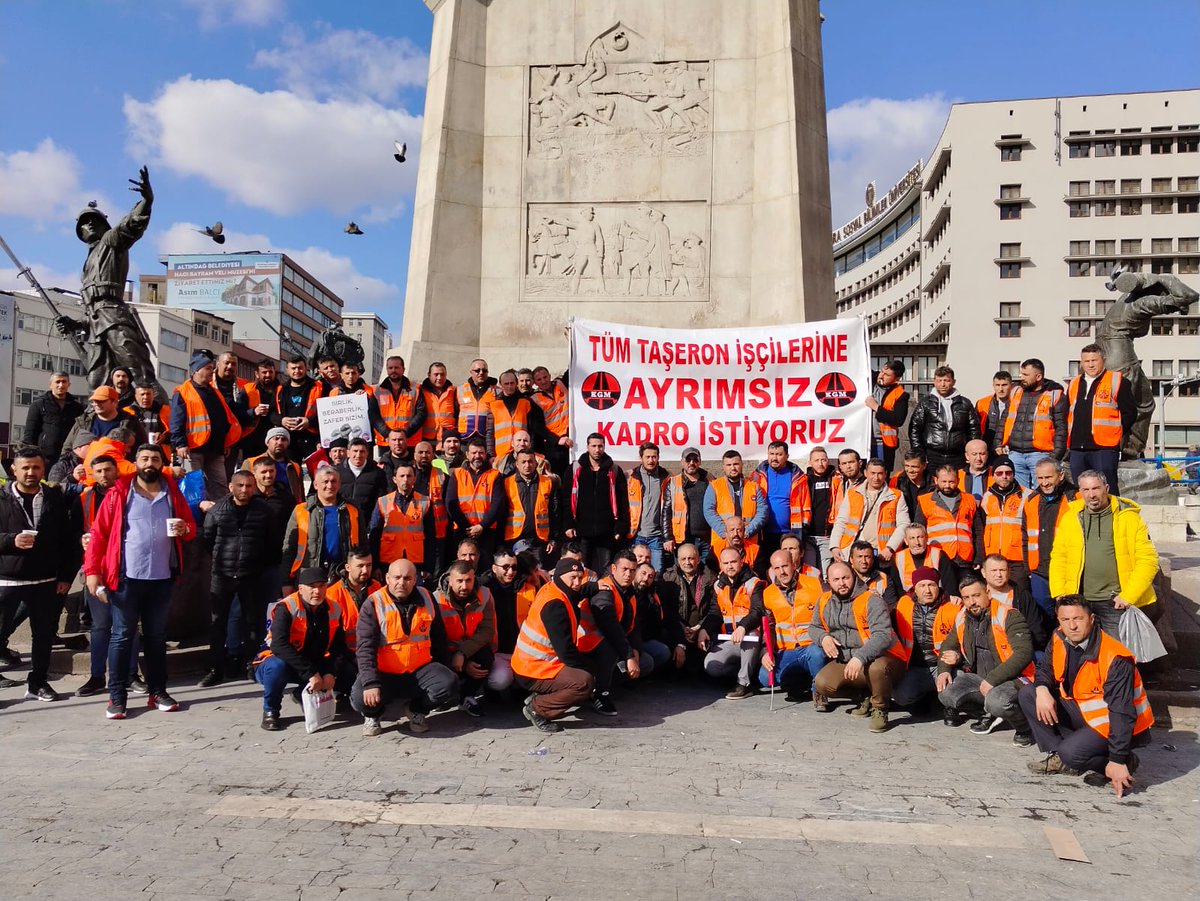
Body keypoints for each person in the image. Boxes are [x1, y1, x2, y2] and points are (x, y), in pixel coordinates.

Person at [83, 443, 197, 718]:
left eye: (155, 459)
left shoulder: (172, 491)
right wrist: (92, 573)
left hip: (162, 577)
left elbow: (190, 528)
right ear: (135, 462)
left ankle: (157, 691)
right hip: (126, 578)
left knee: (157, 638)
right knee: (121, 636)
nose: (149, 463)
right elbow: (99, 535)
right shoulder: (120, 493)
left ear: (161, 463)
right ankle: (117, 696)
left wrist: (184, 528)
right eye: (144, 458)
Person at [1018, 595, 1153, 796]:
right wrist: (1042, 689)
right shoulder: (1059, 637)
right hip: (1083, 711)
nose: (1072, 626)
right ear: (1059, 621)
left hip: (1114, 722)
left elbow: (1122, 712)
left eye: (1078, 619)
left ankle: (1121, 760)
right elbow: (1044, 668)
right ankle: (1060, 757)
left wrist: (1117, 758)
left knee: (1072, 754)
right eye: (1065, 620)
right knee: (1029, 693)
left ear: (1091, 619)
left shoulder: (1114, 657)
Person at [56, 168, 167, 401]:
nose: (90, 224)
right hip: (96, 326)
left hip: (114, 317)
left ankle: (163, 414)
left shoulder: (111, 242)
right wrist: (75, 322)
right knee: (96, 382)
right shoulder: (87, 265)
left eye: (94, 220)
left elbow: (130, 225)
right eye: (85, 223)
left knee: (139, 371)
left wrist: (147, 201)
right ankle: (93, 424)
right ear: (80, 232)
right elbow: (92, 311)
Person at [0, 449, 80, 702]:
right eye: (25, 467)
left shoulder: (54, 497)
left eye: (36, 467)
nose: (31, 472)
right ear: (14, 469)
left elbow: (67, 540)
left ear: (43, 469)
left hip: (46, 581)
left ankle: (38, 683)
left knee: (43, 636)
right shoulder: (1, 498)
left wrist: (66, 576)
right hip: (8, 580)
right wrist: (12, 541)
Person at [352, 560, 458, 736]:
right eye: (397, 577)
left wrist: (444, 670)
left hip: (419, 671)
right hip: (384, 674)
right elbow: (365, 649)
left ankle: (416, 710)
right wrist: (371, 683)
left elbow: (439, 638)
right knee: (359, 697)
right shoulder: (373, 604)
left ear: (415, 579)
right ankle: (373, 715)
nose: (401, 583)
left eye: (407, 578)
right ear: (387, 578)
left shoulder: (427, 598)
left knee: (448, 683)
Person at [1048, 470, 1158, 638]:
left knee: (1117, 657)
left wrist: (1128, 596)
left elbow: (1148, 561)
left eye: (1096, 488)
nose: (1091, 495)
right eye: (1085, 490)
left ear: (1106, 488)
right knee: (1080, 655)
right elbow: (1059, 558)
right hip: (1079, 601)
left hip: (1115, 603)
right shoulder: (1070, 518)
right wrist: (1060, 592)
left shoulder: (1130, 518)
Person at [73, 455, 143, 697]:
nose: (104, 474)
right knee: (100, 626)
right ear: (92, 473)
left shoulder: (131, 494)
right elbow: (73, 529)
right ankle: (96, 677)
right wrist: (80, 539)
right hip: (97, 568)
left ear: (117, 471)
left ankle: (131, 675)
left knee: (129, 626)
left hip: (126, 568)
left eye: (108, 470)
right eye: (99, 471)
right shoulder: (84, 498)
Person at [936, 574, 1034, 743]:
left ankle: (1024, 727)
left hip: (1014, 678)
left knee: (997, 701)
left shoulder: (1009, 615)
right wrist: (943, 670)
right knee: (946, 693)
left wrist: (992, 680)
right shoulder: (962, 617)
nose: (971, 602)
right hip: (980, 678)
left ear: (988, 593)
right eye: (966, 597)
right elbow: (947, 645)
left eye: (976, 595)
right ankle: (989, 714)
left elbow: (1023, 653)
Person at [810, 561, 905, 732]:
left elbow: (883, 636)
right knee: (822, 684)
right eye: (836, 579)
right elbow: (813, 627)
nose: (842, 583)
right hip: (847, 658)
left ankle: (880, 709)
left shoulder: (871, 599)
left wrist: (860, 657)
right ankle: (864, 696)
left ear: (853, 575)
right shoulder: (824, 600)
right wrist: (823, 638)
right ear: (828, 581)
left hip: (886, 658)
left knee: (877, 669)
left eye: (845, 577)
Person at [200, 470, 273, 687]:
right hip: (222, 574)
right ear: (231, 487)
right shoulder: (217, 511)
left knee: (252, 622)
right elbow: (208, 539)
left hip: (251, 574)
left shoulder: (264, 511)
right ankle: (216, 669)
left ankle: (252, 665)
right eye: (240, 485)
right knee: (217, 623)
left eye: (249, 486)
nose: (244, 490)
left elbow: (271, 540)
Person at [252, 568, 349, 732]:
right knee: (277, 667)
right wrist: (311, 673)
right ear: (301, 588)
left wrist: (330, 673)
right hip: (281, 660)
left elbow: (339, 647)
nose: (317, 591)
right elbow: (279, 645)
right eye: (312, 586)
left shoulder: (334, 608)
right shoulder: (287, 607)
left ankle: (302, 693)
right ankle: (271, 710)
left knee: (349, 671)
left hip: (312, 661)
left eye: (321, 586)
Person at [510, 558, 597, 733]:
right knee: (584, 682)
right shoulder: (555, 605)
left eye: (580, 577)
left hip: (534, 662)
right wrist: (589, 671)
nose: (578, 582)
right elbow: (566, 652)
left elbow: (577, 592)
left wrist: (594, 587)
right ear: (560, 576)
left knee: (586, 671)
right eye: (573, 577)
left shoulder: (553, 588)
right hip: (533, 669)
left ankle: (541, 699)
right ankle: (537, 709)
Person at [576, 551, 641, 714]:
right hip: (586, 643)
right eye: (624, 569)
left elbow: (632, 626)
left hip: (607, 640)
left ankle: (603, 682)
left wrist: (635, 650)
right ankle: (600, 694)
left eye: (632, 570)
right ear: (613, 568)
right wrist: (628, 656)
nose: (628, 574)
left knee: (646, 662)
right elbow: (610, 627)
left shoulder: (629, 592)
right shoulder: (604, 590)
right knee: (612, 650)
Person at [1066, 344, 1136, 493]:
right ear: (1081, 363)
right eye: (1086, 361)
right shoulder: (1074, 383)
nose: (1090, 364)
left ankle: (1113, 515)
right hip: (1078, 447)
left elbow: (1130, 412)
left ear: (1103, 360)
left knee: (1107, 487)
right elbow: (1068, 412)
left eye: (1094, 360)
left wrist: (1116, 433)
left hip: (1104, 447)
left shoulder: (1117, 381)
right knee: (1080, 489)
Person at [890, 567, 960, 711]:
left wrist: (957, 656)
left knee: (956, 690)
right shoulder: (903, 604)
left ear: (938, 586)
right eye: (922, 585)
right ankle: (927, 698)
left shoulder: (953, 606)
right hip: (915, 667)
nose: (927, 590)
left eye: (931, 585)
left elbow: (964, 640)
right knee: (901, 696)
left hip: (942, 666)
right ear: (914, 589)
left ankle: (945, 702)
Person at [758, 550, 825, 700]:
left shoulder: (815, 585)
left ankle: (819, 690)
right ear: (772, 570)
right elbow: (769, 627)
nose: (781, 572)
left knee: (817, 654)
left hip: (811, 646)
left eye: (785, 566)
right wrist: (766, 653)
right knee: (764, 677)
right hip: (786, 651)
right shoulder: (768, 594)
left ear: (794, 565)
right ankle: (802, 681)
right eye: (777, 568)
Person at [171, 352, 239, 497]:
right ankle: (196, 518)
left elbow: (222, 418)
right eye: (208, 368)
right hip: (193, 449)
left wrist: (225, 443)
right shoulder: (183, 392)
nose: (212, 371)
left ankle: (220, 517)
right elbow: (176, 421)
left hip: (215, 449)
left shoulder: (213, 392)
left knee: (220, 486)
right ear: (196, 370)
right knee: (195, 487)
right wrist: (180, 444)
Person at [434, 560, 497, 716]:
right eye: (459, 581)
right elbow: (435, 640)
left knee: (486, 658)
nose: (464, 586)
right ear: (449, 580)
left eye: (468, 580)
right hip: (444, 651)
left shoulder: (485, 595)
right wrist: (455, 658)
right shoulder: (435, 600)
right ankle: (445, 695)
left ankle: (466, 696)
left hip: (470, 647)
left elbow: (486, 631)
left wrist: (463, 654)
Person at [703, 547, 766, 700]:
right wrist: (704, 629)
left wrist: (743, 626)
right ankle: (749, 671)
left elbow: (757, 611)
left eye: (733, 562)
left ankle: (744, 683)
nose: (730, 566)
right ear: (720, 565)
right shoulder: (718, 586)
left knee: (750, 635)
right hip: (730, 639)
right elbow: (715, 613)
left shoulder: (754, 583)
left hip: (750, 638)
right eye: (726, 563)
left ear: (741, 561)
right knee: (711, 666)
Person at [282, 466, 362, 586]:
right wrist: (286, 582)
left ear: (339, 484)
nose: (330, 486)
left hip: (343, 574)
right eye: (325, 481)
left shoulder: (352, 510)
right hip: (309, 574)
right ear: (315, 484)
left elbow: (363, 545)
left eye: (333, 481)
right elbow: (289, 549)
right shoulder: (301, 510)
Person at [565, 433, 629, 573]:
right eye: (593, 446)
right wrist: (568, 524)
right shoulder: (575, 469)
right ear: (587, 447)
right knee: (581, 570)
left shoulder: (614, 470)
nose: (597, 449)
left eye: (600, 446)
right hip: (582, 531)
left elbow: (623, 501)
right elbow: (566, 498)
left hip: (606, 531)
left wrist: (621, 526)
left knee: (606, 570)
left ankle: (604, 595)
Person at [999, 358, 1067, 489]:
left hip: (1041, 454)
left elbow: (1061, 428)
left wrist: (1056, 455)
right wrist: (999, 442)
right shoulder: (1016, 392)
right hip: (1016, 453)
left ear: (1038, 376)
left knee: (1044, 491)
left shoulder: (1054, 395)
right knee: (1019, 494)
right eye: (1021, 373)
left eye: (1025, 375)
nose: (1021, 377)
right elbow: (1005, 419)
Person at [1022, 457, 1077, 619]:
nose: (1044, 483)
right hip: (1040, 571)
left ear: (1060, 476)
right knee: (1044, 617)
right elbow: (1025, 537)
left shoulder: (1076, 498)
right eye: (1040, 478)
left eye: (1048, 477)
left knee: (1070, 615)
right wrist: (1028, 568)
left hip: (1068, 570)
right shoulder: (1031, 501)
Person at [830, 458, 908, 564]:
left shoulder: (896, 496)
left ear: (885, 474)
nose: (876, 478)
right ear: (866, 473)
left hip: (882, 554)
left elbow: (904, 525)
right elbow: (841, 522)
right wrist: (834, 546)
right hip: (853, 550)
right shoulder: (852, 493)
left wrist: (890, 548)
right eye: (873, 473)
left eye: (880, 473)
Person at [658, 542, 717, 672]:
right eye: (683, 559)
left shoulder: (710, 577)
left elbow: (715, 609)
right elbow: (665, 609)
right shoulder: (668, 578)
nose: (687, 562)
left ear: (698, 559)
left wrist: (700, 627)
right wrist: (681, 628)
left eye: (691, 558)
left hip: (701, 628)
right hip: (678, 627)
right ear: (678, 560)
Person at [907, 365, 980, 471]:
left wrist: (972, 452)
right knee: (932, 485)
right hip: (932, 455)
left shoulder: (965, 403)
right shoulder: (926, 403)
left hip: (958, 456)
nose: (943, 384)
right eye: (939, 380)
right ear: (934, 382)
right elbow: (915, 429)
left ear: (953, 382)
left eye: (946, 380)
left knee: (957, 484)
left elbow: (974, 429)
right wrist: (919, 453)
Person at [370, 462, 436, 578]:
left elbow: (430, 536)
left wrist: (428, 567)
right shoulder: (383, 502)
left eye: (409, 476)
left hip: (416, 561)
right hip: (388, 560)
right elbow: (374, 536)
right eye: (402, 476)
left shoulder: (424, 502)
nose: (405, 479)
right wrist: (375, 566)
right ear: (395, 479)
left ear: (414, 479)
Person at [979, 555, 1050, 660]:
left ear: (1009, 571)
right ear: (983, 573)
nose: (998, 575)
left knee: (1040, 657)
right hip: (989, 652)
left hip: (1019, 649)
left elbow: (1037, 630)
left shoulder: (1022, 596)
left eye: (1002, 570)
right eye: (994, 570)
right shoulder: (978, 596)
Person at [445, 438, 503, 565]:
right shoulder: (457, 474)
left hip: (487, 531)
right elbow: (451, 503)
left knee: (485, 568)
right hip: (462, 530)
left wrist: (481, 526)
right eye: (474, 453)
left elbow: (497, 505)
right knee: (462, 569)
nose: (477, 456)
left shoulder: (495, 475)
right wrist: (467, 528)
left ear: (486, 454)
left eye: (481, 453)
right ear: (467, 455)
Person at [973, 456, 1029, 589]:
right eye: (999, 473)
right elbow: (980, 531)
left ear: (1013, 474)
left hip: (1017, 559)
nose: (1004, 476)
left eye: (1008, 473)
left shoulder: (1027, 496)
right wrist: (981, 557)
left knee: (1020, 597)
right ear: (993, 476)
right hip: (993, 559)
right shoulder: (986, 498)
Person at [478, 546, 527, 697]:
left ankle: (518, 686)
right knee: (498, 681)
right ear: (494, 568)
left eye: (514, 567)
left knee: (525, 682)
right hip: (495, 651)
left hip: (522, 650)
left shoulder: (527, 586)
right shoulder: (482, 589)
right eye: (505, 567)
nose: (510, 571)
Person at [916, 464, 978, 582]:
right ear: (936, 480)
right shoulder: (925, 501)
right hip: (937, 558)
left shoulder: (969, 500)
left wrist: (979, 558)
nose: (947, 485)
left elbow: (978, 532)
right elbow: (918, 532)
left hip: (964, 558)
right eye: (944, 481)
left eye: (951, 482)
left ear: (958, 481)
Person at [704, 450, 767, 565]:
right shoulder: (714, 486)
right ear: (723, 466)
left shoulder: (754, 486)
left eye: (736, 464)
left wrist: (747, 531)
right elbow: (708, 512)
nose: (733, 468)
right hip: (723, 541)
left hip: (749, 540)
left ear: (741, 464)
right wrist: (728, 533)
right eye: (729, 465)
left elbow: (762, 511)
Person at [752, 441, 808, 567]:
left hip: (789, 532)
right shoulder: (757, 475)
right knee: (766, 567)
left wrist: (803, 529)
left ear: (787, 456)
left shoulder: (797, 476)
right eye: (771, 454)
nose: (774, 458)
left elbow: (805, 503)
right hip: (763, 532)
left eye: (779, 454)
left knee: (789, 566)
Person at [489, 368, 565, 460]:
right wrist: (490, 455)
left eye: (512, 383)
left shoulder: (526, 403)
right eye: (506, 383)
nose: (509, 386)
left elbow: (533, 429)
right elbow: (490, 433)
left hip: (524, 451)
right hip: (501, 454)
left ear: (516, 383)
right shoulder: (493, 405)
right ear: (500, 385)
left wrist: (532, 451)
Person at [503, 449, 561, 564]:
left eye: (530, 462)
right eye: (523, 462)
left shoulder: (548, 483)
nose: (527, 465)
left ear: (535, 463)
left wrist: (554, 538)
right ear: (517, 464)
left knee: (537, 573)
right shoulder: (506, 483)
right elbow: (501, 513)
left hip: (539, 541)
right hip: (514, 539)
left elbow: (555, 513)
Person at [250, 456, 295, 602]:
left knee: (273, 605)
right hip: (250, 562)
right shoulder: (246, 495)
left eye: (271, 471)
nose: (268, 475)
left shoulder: (285, 497)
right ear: (254, 474)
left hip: (276, 561)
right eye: (263, 472)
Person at [325, 548, 381, 658]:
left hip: (375, 651)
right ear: (348, 568)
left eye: (369, 565)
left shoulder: (377, 588)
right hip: (345, 655)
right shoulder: (332, 594)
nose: (365, 570)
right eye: (360, 566)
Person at [661, 447, 712, 564]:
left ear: (700, 462)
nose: (691, 463)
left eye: (695, 460)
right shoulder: (673, 482)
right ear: (682, 462)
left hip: (707, 539)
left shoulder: (710, 480)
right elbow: (666, 511)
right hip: (683, 539)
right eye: (688, 460)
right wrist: (667, 537)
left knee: (706, 573)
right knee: (683, 572)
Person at [632, 562, 684, 674]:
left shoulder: (653, 596)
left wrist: (680, 644)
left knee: (663, 652)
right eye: (643, 573)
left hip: (643, 639)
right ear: (635, 573)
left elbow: (671, 619)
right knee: (647, 662)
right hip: (625, 641)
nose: (646, 578)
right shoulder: (625, 592)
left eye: (650, 576)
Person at [22, 371, 84, 461]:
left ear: (69, 384)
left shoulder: (76, 407)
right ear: (50, 385)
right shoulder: (39, 405)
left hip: (68, 456)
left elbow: (80, 432)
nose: (61, 385)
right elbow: (30, 433)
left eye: (64, 382)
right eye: (57, 382)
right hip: (45, 456)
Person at [64, 385, 146, 453]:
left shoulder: (130, 422)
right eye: (94, 401)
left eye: (101, 401)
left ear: (114, 402)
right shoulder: (83, 421)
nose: (96, 404)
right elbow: (67, 448)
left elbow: (143, 447)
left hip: (119, 469)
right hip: (86, 470)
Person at [627, 442, 670, 570]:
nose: (651, 460)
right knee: (634, 572)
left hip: (656, 537)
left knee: (656, 573)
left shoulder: (666, 477)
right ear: (641, 458)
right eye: (647, 457)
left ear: (658, 458)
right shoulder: (630, 477)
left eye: (654, 457)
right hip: (635, 536)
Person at [411, 441, 451, 577]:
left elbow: (449, 504)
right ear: (414, 455)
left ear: (433, 455)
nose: (424, 455)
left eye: (428, 452)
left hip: (437, 532)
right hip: (413, 532)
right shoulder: (407, 475)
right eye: (421, 452)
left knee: (435, 573)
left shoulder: (442, 476)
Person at [273, 356, 319, 464]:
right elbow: (272, 413)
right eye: (293, 368)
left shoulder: (318, 387)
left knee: (319, 473)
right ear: (287, 370)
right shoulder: (280, 390)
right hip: (289, 440)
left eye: (300, 368)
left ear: (306, 368)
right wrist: (282, 420)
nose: (297, 371)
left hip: (311, 437)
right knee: (291, 474)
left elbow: (327, 412)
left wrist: (309, 421)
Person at [375, 355, 425, 454]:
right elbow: (373, 415)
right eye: (390, 368)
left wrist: (405, 433)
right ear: (387, 369)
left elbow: (421, 413)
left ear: (403, 369)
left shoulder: (416, 389)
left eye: (396, 367)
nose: (393, 370)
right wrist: (388, 434)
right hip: (386, 442)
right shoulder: (377, 390)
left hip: (410, 441)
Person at [866, 360, 910, 472]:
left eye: (887, 375)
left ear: (897, 379)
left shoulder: (901, 394)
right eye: (881, 371)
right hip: (863, 440)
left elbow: (898, 419)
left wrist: (876, 407)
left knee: (880, 475)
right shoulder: (869, 379)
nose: (881, 375)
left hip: (883, 442)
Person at [890, 523, 957, 596]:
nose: (917, 543)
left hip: (936, 600)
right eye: (912, 538)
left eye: (920, 537)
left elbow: (950, 586)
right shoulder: (897, 558)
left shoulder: (939, 555)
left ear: (926, 538)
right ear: (906, 541)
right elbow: (897, 588)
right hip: (910, 601)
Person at [336, 438, 389, 528]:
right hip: (340, 522)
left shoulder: (377, 473)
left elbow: (381, 500)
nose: (358, 455)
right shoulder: (336, 472)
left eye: (362, 451)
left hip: (365, 523)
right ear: (348, 453)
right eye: (355, 451)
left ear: (367, 453)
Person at [237, 358, 280, 459]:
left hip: (277, 440)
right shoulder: (247, 389)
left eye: (270, 372)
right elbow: (238, 414)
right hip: (252, 441)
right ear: (257, 374)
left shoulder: (282, 389)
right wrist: (254, 411)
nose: (268, 375)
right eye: (264, 372)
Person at [530, 366, 570, 474]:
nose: (543, 381)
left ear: (549, 376)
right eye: (539, 379)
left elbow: (573, 369)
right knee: (559, 476)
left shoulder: (561, 384)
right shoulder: (534, 399)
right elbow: (538, 427)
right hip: (554, 443)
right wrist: (557, 440)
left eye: (545, 377)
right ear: (535, 382)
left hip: (571, 436)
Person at [244, 427, 303, 499]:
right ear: (267, 442)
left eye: (283, 439)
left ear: (288, 444)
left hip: (289, 507)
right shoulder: (250, 463)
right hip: (258, 506)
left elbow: (300, 494)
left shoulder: (295, 466)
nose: (280, 442)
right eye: (276, 438)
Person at [803, 447, 836, 575]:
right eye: (816, 460)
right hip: (809, 536)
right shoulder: (804, 481)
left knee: (826, 574)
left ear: (828, 461)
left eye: (823, 460)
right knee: (811, 574)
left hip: (827, 535)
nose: (820, 463)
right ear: (810, 463)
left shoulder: (836, 479)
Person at [846, 541, 899, 609]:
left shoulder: (884, 579)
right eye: (859, 557)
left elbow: (891, 607)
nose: (864, 561)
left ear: (873, 560)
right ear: (851, 559)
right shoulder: (843, 578)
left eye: (867, 557)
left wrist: (878, 601)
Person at [125, 384, 171, 461]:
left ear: (153, 395)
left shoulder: (165, 410)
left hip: (160, 456)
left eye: (148, 394)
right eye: (142, 394)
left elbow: (176, 432)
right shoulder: (126, 412)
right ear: (136, 396)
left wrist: (164, 437)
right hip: (133, 456)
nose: (145, 397)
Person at [418, 362, 458, 449]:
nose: (439, 378)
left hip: (447, 439)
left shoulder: (453, 391)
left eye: (442, 374)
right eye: (436, 374)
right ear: (429, 375)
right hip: (426, 438)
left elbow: (458, 414)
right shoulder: (421, 392)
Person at [457, 358, 498, 443]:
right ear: (471, 372)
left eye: (484, 370)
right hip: (465, 437)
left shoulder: (496, 390)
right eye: (477, 370)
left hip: (486, 436)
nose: (481, 373)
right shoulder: (460, 390)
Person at [976, 371, 1013, 457]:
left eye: (1004, 385)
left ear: (1011, 385)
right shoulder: (982, 403)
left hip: (1009, 449)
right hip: (987, 448)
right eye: (997, 385)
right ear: (993, 385)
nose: (1000, 389)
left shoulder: (1017, 403)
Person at [889, 452, 933, 523]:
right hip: (904, 525)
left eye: (914, 467)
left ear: (924, 466)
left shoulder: (933, 482)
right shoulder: (897, 480)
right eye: (907, 466)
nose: (910, 470)